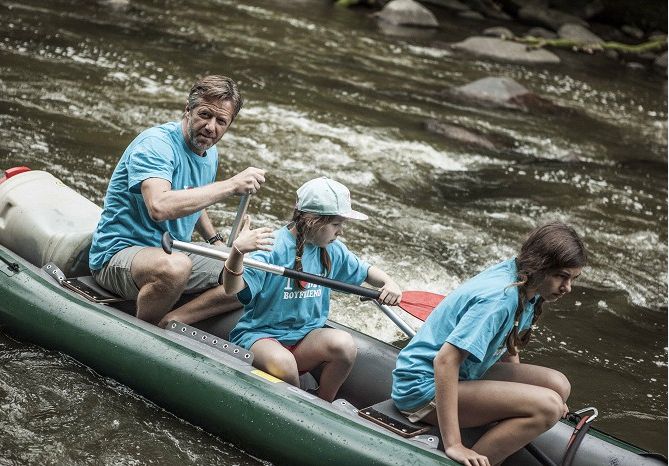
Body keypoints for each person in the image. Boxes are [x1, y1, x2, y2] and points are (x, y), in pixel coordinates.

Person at [392, 222, 587, 466]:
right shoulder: (499, 299)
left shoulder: (528, 283)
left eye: (573, 279)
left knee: (557, 386)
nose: (567, 288)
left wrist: (520, 397)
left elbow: (507, 344)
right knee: (548, 407)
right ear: (540, 266)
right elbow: (444, 360)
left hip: (465, 374)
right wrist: (454, 444)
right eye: (562, 277)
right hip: (422, 387)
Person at [88, 75, 266, 327]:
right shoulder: (156, 145)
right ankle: (144, 333)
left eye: (221, 121)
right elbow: (159, 206)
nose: (211, 127)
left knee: (253, 271)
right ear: (188, 110)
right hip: (118, 255)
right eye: (205, 115)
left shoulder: (209, 151)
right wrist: (231, 185)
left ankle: (174, 319)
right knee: (175, 268)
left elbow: (192, 196)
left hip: (172, 250)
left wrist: (214, 242)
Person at [221, 177, 402, 401]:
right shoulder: (272, 246)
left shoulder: (331, 249)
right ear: (313, 221)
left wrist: (389, 282)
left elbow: (366, 271)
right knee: (284, 365)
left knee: (344, 345)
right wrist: (237, 252)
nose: (340, 231)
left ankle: (324, 403)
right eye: (336, 224)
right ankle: (298, 407)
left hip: (305, 339)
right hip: (261, 337)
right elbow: (233, 289)